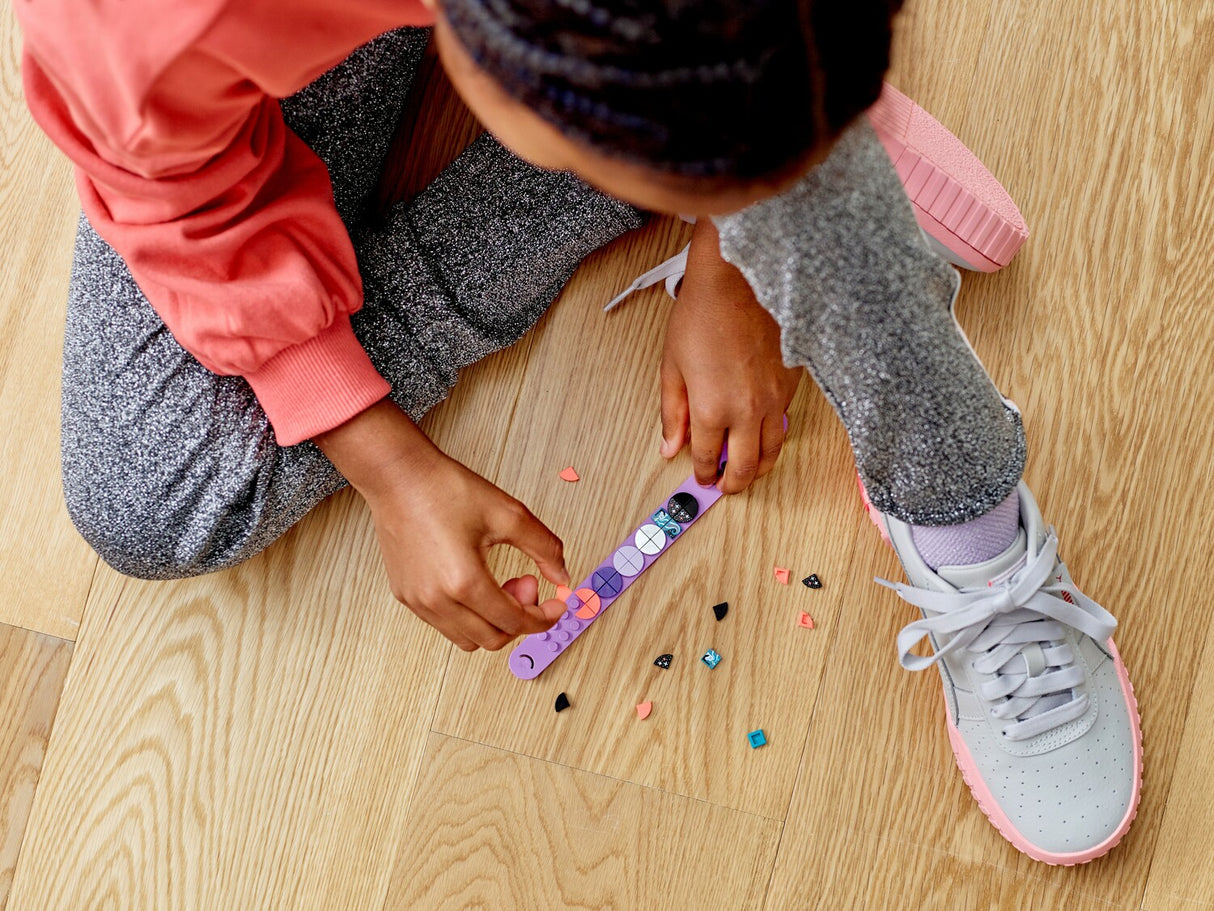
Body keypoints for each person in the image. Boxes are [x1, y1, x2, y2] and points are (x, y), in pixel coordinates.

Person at [15, 0, 1140, 865]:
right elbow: (180, 198)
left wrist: (732, 252)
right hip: (240, 62)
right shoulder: (141, 27)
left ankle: (955, 492)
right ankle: (772, 153)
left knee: (808, 199)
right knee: (151, 498)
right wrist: (378, 453)